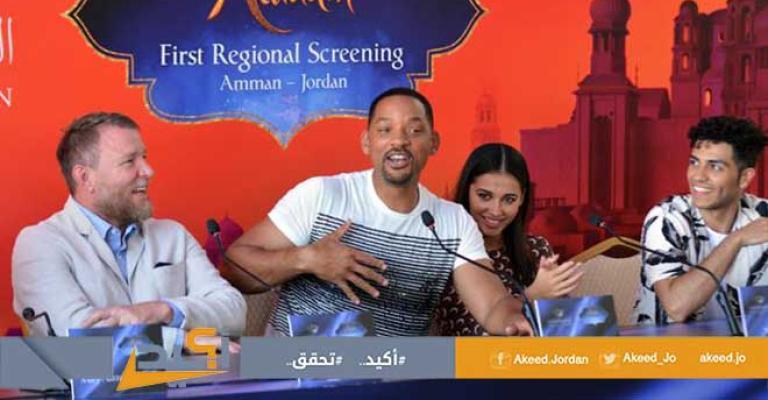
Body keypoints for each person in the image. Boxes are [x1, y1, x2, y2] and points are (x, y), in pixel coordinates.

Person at [224, 88, 532, 336]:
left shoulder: (453, 223)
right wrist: (306, 259)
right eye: (385, 130)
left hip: (392, 376)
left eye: (414, 130)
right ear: (367, 142)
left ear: (433, 143)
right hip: (297, 369)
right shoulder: (321, 195)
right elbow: (235, 267)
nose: (399, 141)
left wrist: (513, 320)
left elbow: (492, 305)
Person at [12, 112, 246, 336]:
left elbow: (234, 312)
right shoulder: (39, 243)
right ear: (85, 177)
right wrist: (183, 341)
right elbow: (81, 338)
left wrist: (162, 310)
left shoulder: (173, 234)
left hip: (190, 367)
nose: (148, 171)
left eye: (144, 157)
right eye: (129, 161)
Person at [433, 143, 583, 336]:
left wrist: (556, 297)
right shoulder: (445, 250)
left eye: (509, 199)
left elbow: (566, 330)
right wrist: (531, 297)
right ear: (467, 190)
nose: (496, 211)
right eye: (484, 196)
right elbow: (474, 335)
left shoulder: (536, 248)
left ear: (522, 198)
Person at [632, 116, 768, 325]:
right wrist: (736, 239)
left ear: (744, 178)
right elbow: (677, 307)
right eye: (694, 162)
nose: (698, 176)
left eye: (715, 167)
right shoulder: (667, 218)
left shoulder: (761, 215)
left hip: (746, 344)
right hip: (668, 343)